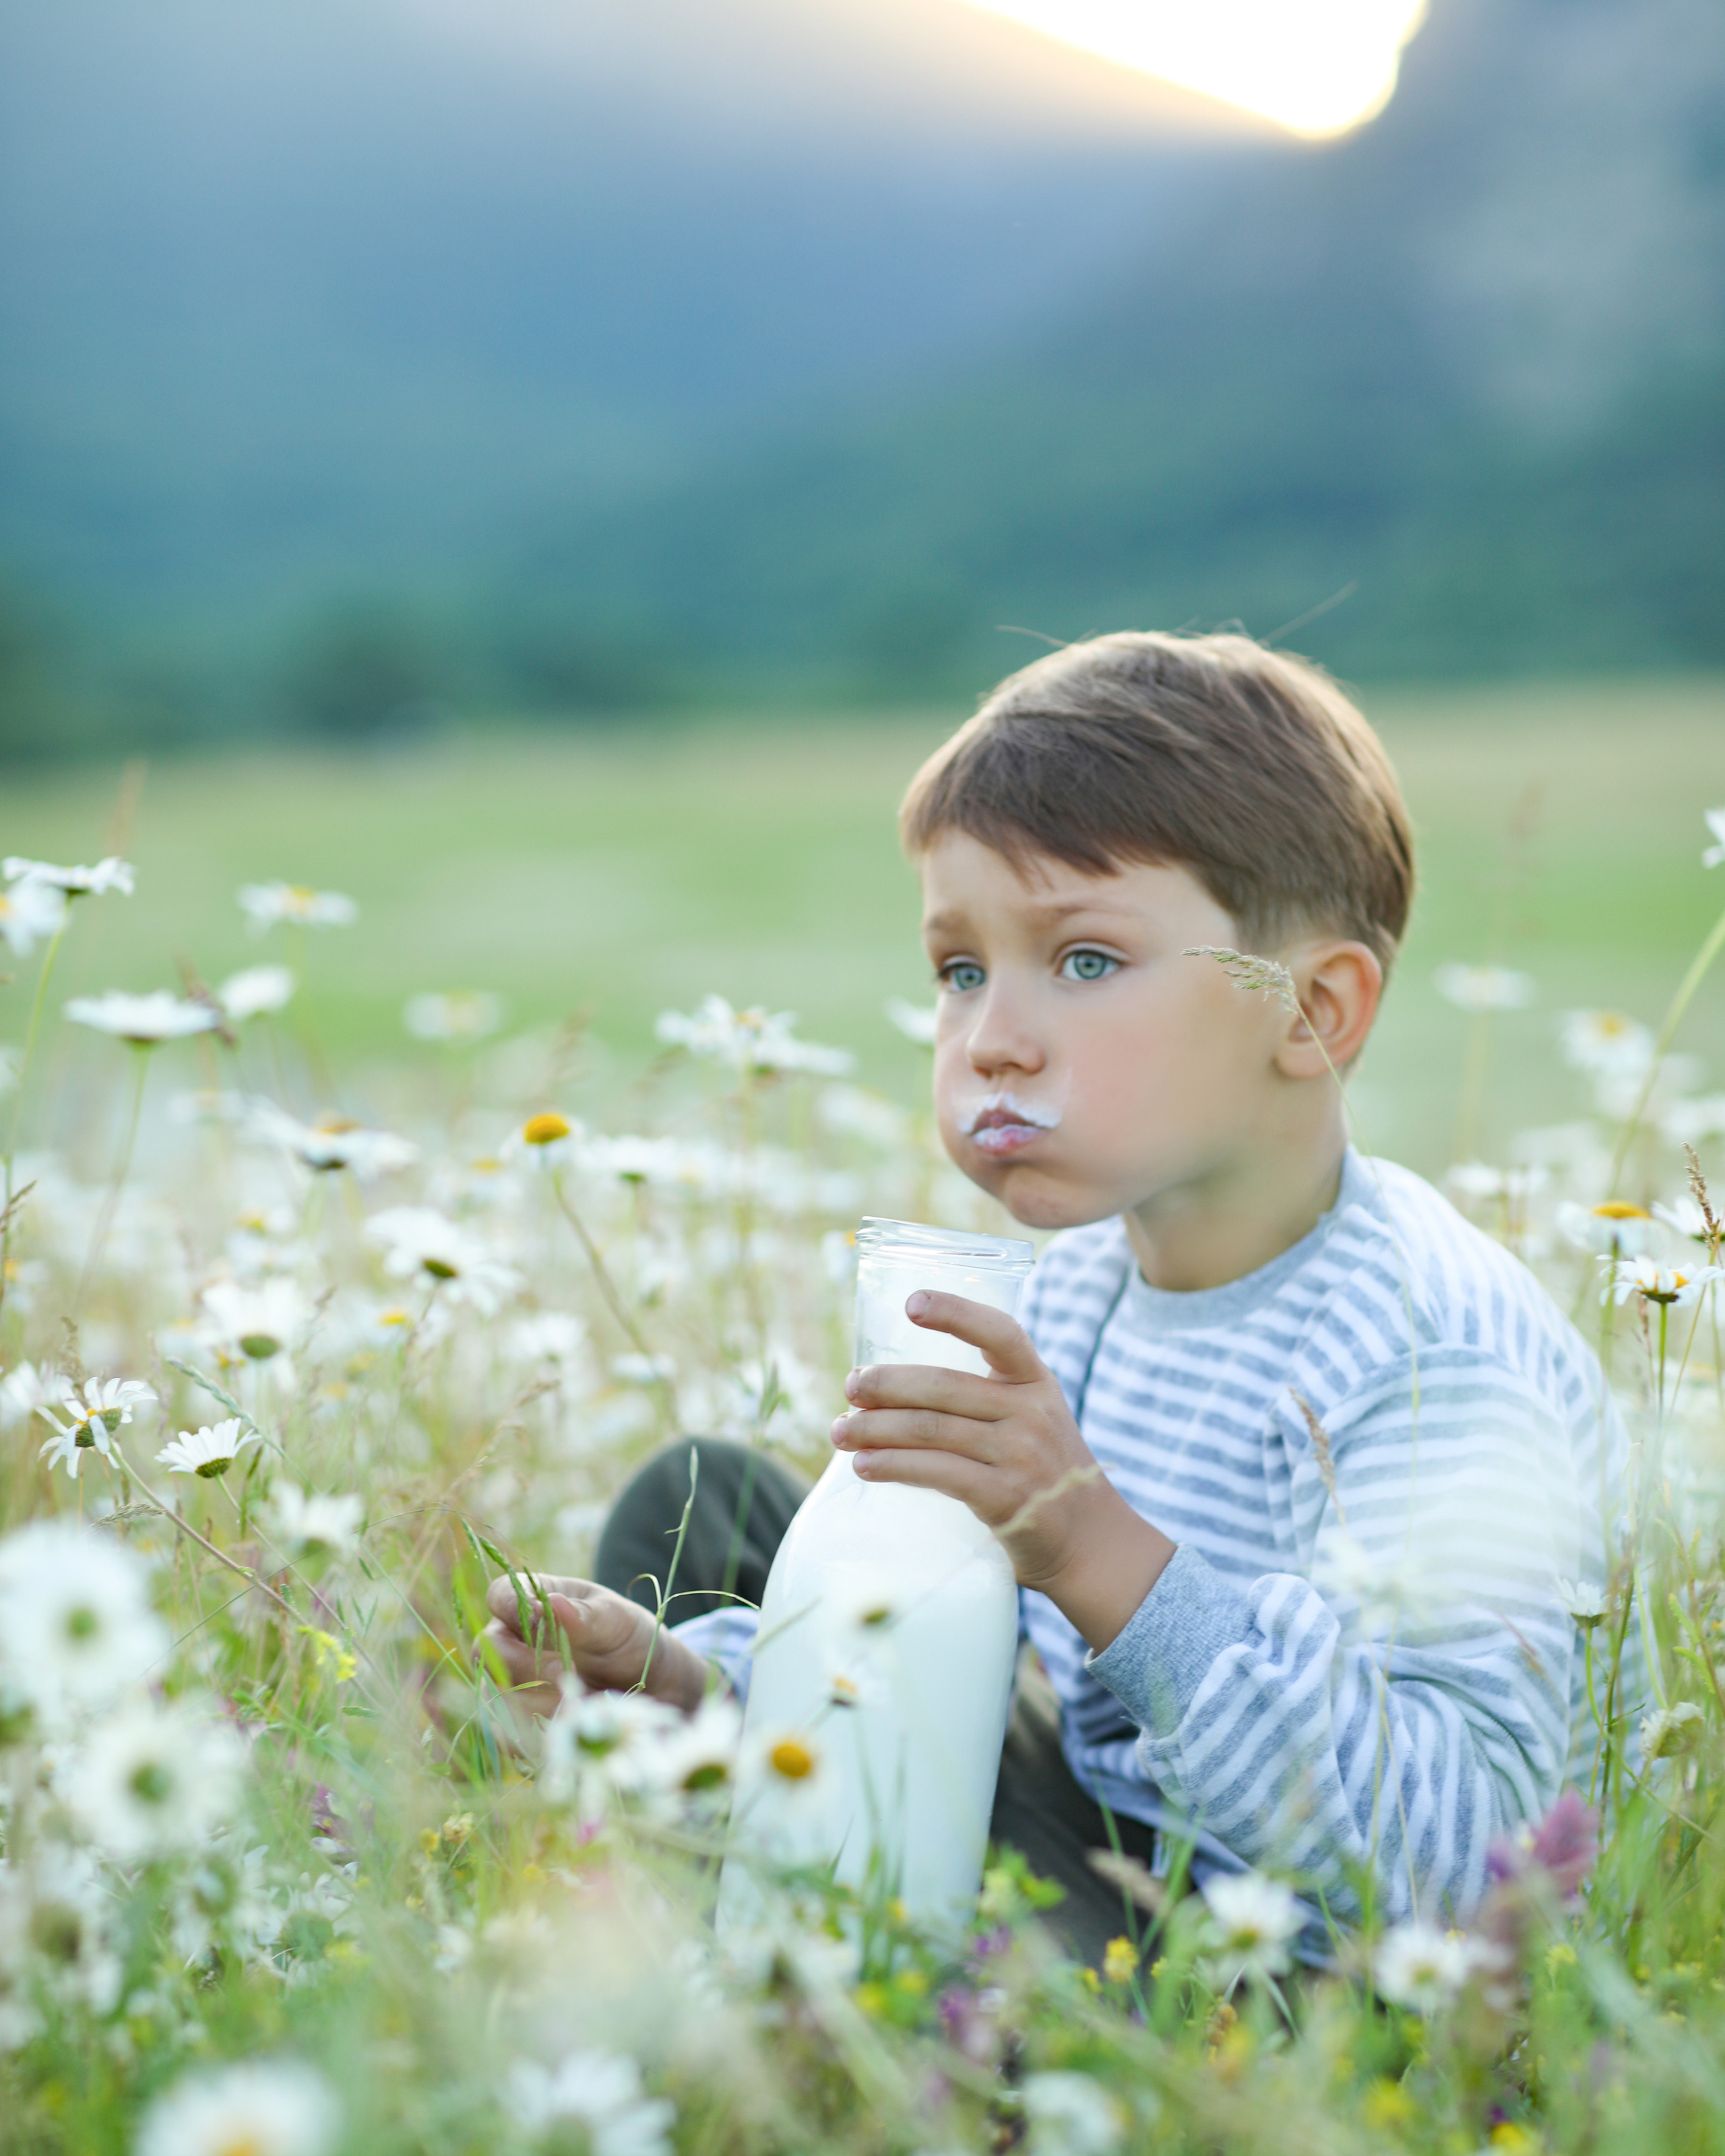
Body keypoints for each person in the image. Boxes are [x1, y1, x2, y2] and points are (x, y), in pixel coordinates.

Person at [484, 631, 1621, 1965]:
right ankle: (739, 1886)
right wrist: (698, 1692)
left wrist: (1091, 1550)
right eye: (959, 969)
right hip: (1105, 1860)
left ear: (1309, 1014)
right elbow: (947, 1672)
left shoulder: (1427, 1350)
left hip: (1305, 1985)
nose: (990, 1039)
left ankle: (842, 2004)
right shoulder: (1078, 1284)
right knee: (704, 1508)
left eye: (1083, 959)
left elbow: (1472, 1864)